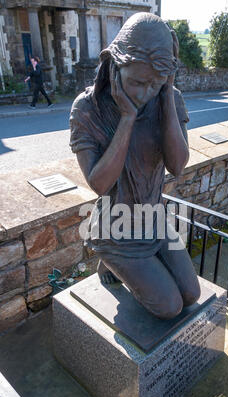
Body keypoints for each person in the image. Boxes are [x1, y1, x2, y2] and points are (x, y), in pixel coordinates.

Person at [70, 13, 200, 320]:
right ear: (114, 65)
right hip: (114, 226)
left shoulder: (169, 99)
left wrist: (166, 96)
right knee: (170, 307)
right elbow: (99, 184)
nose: (144, 94)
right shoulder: (88, 108)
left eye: (154, 84)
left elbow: (178, 165)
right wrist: (127, 119)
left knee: (191, 294)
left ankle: (122, 266)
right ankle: (110, 255)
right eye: (136, 82)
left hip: (153, 219)